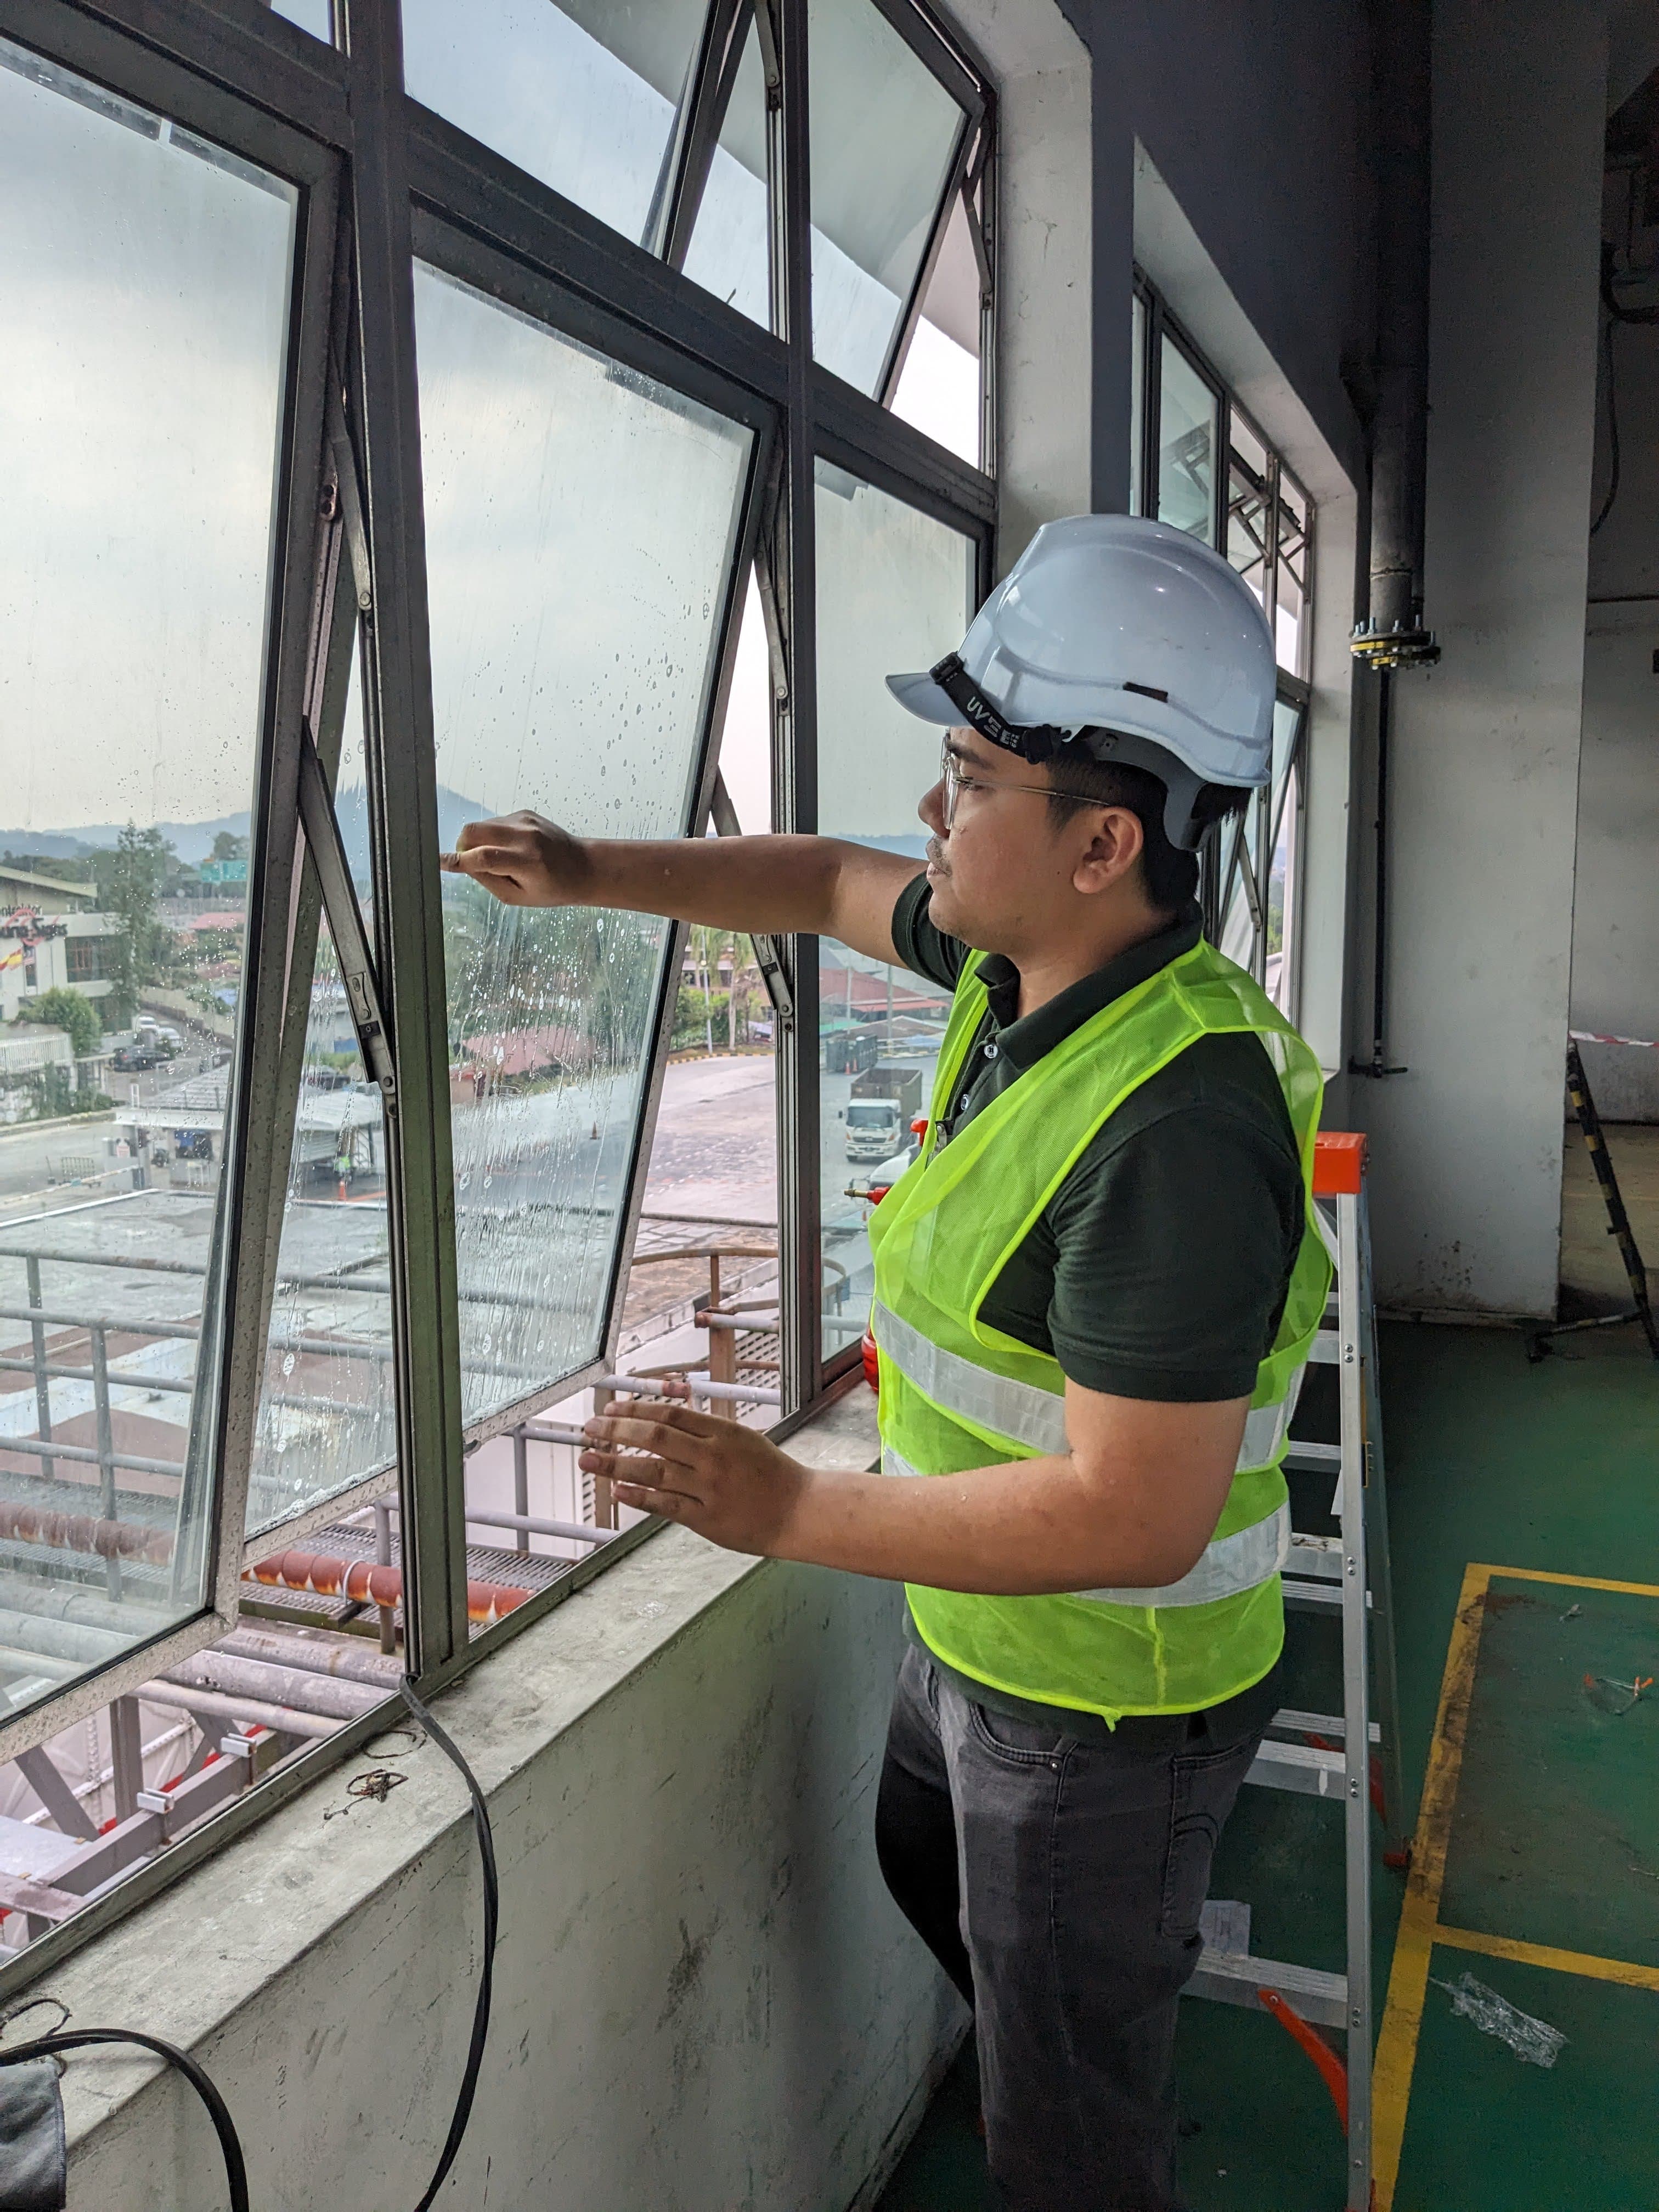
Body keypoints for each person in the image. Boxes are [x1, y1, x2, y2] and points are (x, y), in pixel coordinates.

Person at [441, 513, 1330, 2212]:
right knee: (942, 1889)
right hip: (981, 1640)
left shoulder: (1177, 1121)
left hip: (1105, 1697)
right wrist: (591, 870)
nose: (932, 811)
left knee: (1067, 2126)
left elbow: (1137, 1517)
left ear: (1102, 841)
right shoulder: (1023, 978)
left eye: (972, 776)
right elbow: (821, 878)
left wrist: (787, 1508)